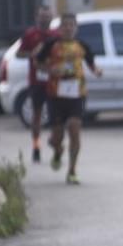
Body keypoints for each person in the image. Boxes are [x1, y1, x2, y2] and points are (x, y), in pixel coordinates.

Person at [35, 13, 103, 185]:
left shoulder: (82, 46)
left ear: (76, 28)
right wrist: (50, 70)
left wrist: (97, 72)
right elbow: (38, 63)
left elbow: (92, 64)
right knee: (55, 138)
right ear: (59, 28)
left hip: (77, 94)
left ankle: (72, 170)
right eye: (65, 25)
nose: (68, 28)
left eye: (72, 25)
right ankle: (57, 150)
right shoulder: (51, 45)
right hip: (55, 95)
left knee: (74, 129)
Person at [16, 5, 58, 163]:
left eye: (48, 16)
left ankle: (55, 143)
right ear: (36, 17)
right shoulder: (30, 35)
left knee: (56, 116)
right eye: (42, 16)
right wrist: (31, 54)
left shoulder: (56, 35)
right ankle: (36, 146)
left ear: (52, 17)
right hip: (36, 81)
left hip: (53, 80)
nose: (45, 19)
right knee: (37, 115)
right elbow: (19, 54)